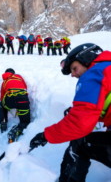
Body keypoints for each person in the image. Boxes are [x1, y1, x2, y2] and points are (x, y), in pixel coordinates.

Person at [29, 43, 111, 182]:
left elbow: (80, 124)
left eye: (74, 68)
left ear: (87, 58)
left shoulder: (95, 73)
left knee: (79, 144)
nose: (73, 74)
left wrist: (46, 135)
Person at [0, 68, 30, 141]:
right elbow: (25, 87)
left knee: (2, 105)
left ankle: (3, 122)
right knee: (25, 118)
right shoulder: (19, 77)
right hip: (23, 99)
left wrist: (3, 103)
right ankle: (21, 127)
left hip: (11, 100)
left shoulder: (4, 81)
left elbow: (2, 96)